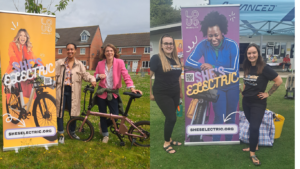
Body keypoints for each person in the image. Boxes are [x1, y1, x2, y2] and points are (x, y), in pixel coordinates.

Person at [185, 11, 239, 141]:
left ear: (222, 33)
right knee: (219, 115)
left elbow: (235, 71)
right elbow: (188, 61)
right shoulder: (203, 44)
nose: (213, 38)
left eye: (216, 35)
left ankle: (229, 142)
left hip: (232, 86)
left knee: (230, 116)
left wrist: (213, 67)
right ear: (206, 34)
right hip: (216, 86)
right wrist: (202, 66)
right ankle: (216, 142)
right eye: (210, 35)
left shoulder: (232, 45)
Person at [242, 43, 282, 166]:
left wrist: (268, 93)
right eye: (249, 53)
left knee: (254, 127)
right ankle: (256, 144)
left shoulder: (264, 67)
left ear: (258, 54)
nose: (251, 55)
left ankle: (252, 153)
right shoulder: (247, 66)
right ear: (247, 55)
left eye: (254, 52)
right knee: (252, 124)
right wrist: (243, 92)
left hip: (258, 103)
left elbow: (279, 80)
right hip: (246, 101)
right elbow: (246, 81)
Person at [94, 43, 142, 143]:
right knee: (102, 115)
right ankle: (105, 135)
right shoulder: (100, 63)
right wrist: (99, 76)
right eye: (107, 51)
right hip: (102, 93)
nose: (109, 52)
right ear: (104, 53)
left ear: (114, 52)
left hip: (113, 93)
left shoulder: (119, 62)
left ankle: (103, 126)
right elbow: (95, 76)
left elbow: (126, 75)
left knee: (115, 116)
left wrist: (132, 88)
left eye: (111, 50)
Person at [56, 43, 96, 144]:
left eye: (72, 49)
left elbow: (85, 75)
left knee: (73, 112)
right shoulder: (59, 63)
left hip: (73, 91)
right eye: (68, 49)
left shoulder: (79, 64)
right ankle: (61, 133)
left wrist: (92, 79)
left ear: (75, 50)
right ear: (66, 51)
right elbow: (49, 71)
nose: (70, 51)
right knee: (59, 112)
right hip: (61, 90)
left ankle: (72, 132)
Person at [150, 34, 183, 154]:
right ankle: (166, 142)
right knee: (171, 117)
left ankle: (169, 138)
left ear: (174, 45)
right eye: (166, 43)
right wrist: (150, 93)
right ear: (162, 45)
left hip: (174, 92)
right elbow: (149, 76)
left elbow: (178, 76)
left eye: (171, 43)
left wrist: (180, 92)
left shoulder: (177, 59)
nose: (169, 45)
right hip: (162, 93)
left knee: (171, 117)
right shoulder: (156, 58)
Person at [5, 29, 42, 101]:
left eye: (25, 36)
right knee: (13, 76)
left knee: (36, 76)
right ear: (18, 37)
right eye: (21, 35)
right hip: (14, 69)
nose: (23, 37)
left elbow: (33, 57)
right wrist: (16, 63)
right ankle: (9, 86)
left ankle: (51, 83)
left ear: (27, 37)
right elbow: (12, 55)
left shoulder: (27, 46)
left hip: (24, 69)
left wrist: (40, 64)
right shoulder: (12, 44)